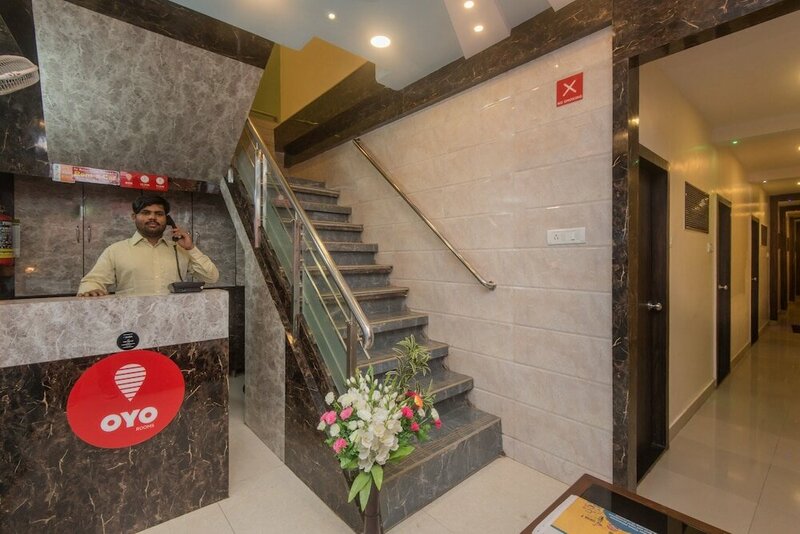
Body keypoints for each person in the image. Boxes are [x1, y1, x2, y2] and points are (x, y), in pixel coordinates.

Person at [77, 195, 219, 297]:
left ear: (167, 219)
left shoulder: (180, 250)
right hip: (131, 322)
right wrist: (91, 290)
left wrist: (191, 248)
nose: (152, 217)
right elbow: (93, 281)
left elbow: (211, 277)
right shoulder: (115, 250)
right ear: (134, 217)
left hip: (173, 321)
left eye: (159, 214)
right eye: (146, 213)